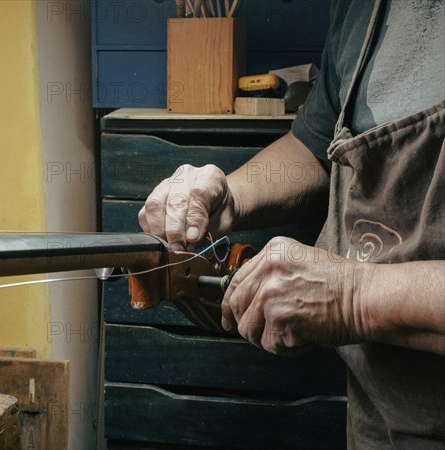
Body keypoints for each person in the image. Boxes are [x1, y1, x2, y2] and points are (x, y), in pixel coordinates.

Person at [139, 0, 445, 447]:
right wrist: (229, 194)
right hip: (381, 418)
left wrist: (353, 297)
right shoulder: (358, 10)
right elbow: (314, 146)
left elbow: (351, 295)